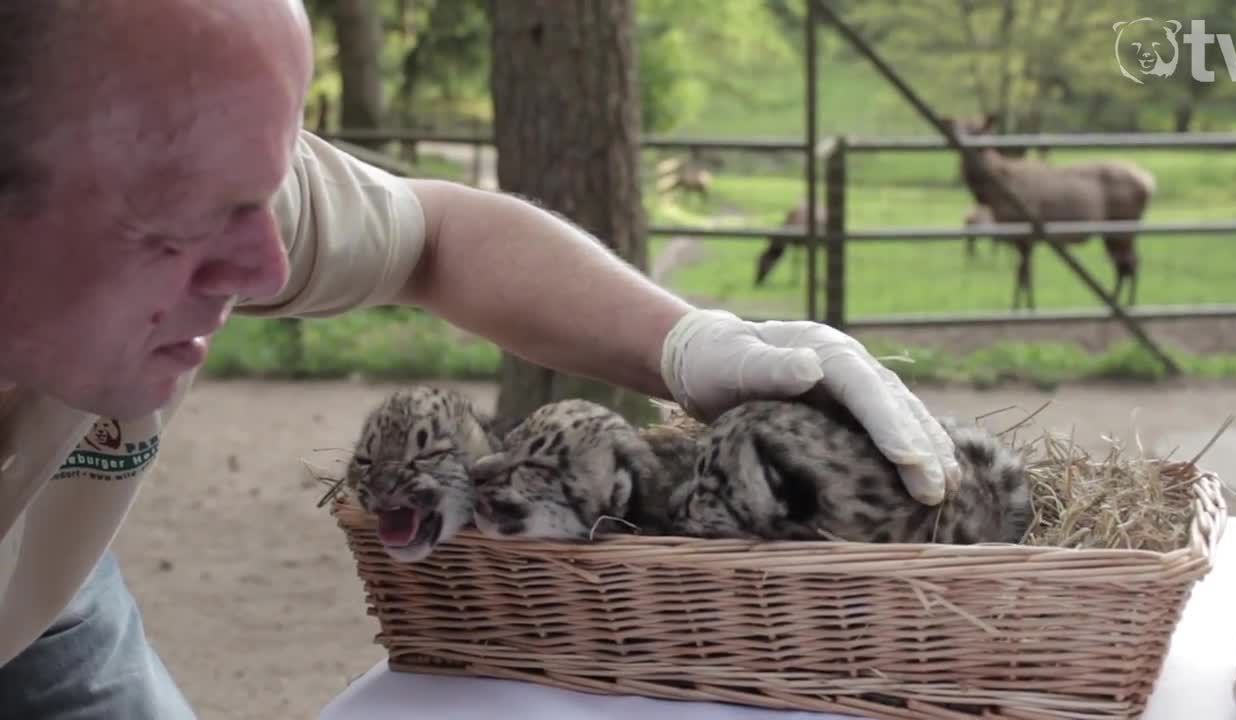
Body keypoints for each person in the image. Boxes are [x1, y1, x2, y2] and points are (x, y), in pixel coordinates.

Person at [0, 1, 960, 717]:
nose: (268, 268)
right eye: (185, 220)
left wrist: (691, 344)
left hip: (44, 596)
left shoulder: (146, 149)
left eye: (267, 192)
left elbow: (435, 236)